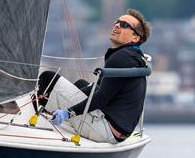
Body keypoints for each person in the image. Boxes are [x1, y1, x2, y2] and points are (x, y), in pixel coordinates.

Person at [38, 9, 151, 144]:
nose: (117, 25)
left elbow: (101, 98)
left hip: (105, 129)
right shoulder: (134, 56)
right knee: (81, 84)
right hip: (118, 130)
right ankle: (50, 114)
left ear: (135, 38)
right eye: (118, 22)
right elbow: (101, 89)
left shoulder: (121, 57)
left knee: (48, 79)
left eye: (124, 25)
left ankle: (34, 119)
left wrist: (67, 113)